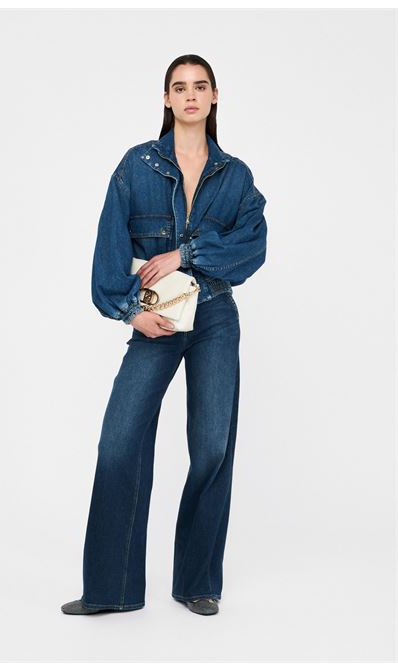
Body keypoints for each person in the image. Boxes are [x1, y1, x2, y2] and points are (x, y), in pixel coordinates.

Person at [61, 54, 268, 617]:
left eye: (200, 86)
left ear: (215, 96)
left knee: (213, 447)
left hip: (216, 317)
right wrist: (129, 311)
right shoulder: (137, 165)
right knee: (120, 440)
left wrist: (186, 253)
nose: (190, 95)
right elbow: (109, 244)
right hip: (157, 318)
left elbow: (253, 247)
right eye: (180, 87)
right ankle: (112, 590)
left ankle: (197, 582)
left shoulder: (236, 176)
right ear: (167, 99)